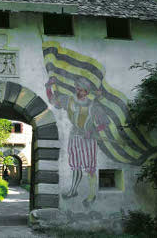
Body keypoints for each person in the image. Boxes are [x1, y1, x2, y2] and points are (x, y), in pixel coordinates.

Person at [45, 76, 110, 206]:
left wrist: (93, 131)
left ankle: (91, 195)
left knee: (89, 168)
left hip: (88, 139)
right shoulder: (69, 100)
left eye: (82, 90)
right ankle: (73, 190)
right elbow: (53, 101)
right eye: (78, 89)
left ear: (87, 92)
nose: (79, 92)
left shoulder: (93, 105)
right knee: (75, 166)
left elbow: (105, 123)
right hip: (74, 136)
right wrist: (48, 87)